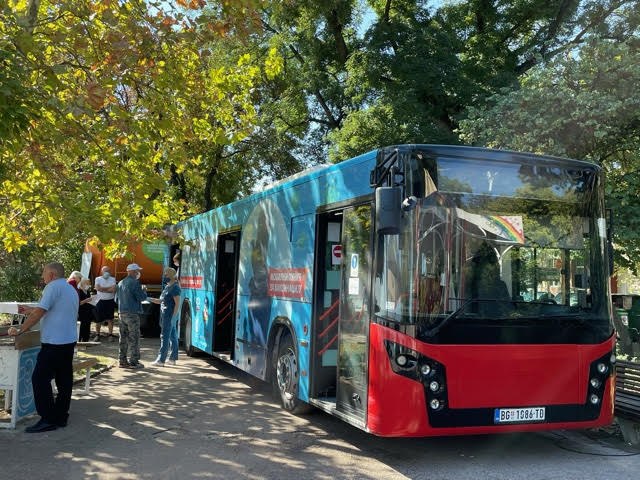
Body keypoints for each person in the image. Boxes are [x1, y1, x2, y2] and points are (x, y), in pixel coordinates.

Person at [7, 262, 79, 433]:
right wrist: (32, 309)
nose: (42, 277)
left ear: (52, 274)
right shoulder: (70, 288)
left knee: (39, 379)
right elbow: (53, 309)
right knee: (64, 380)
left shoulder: (52, 287)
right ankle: (61, 416)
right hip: (67, 341)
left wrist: (20, 330)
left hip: (54, 343)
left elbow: (40, 312)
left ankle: (47, 418)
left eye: (44, 273)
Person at [116, 263, 147, 369]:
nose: (138, 273)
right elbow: (142, 297)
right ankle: (134, 361)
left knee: (123, 337)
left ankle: (122, 360)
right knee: (134, 338)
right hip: (132, 314)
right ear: (133, 272)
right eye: (137, 271)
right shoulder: (134, 283)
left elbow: (116, 299)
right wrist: (144, 290)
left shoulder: (120, 283)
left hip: (121, 313)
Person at [149, 267, 181, 366]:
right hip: (165, 315)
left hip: (169, 316)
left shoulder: (175, 287)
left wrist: (173, 318)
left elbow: (177, 304)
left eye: (166, 275)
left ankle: (161, 360)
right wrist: (148, 298)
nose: (164, 276)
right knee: (172, 337)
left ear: (171, 276)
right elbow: (160, 301)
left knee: (165, 337)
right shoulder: (167, 287)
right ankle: (172, 359)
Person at [93, 265, 117, 342]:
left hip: (110, 301)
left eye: (108, 271)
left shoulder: (113, 279)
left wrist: (102, 289)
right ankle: (97, 335)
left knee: (110, 319)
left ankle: (110, 335)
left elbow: (113, 290)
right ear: (102, 272)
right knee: (98, 319)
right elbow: (97, 288)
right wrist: (108, 289)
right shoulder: (98, 279)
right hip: (100, 301)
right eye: (105, 271)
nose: (106, 272)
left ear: (110, 272)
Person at [77, 278, 97, 342]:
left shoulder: (88, 292)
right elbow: (78, 303)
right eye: (87, 284)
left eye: (89, 284)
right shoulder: (79, 291)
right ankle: (79, 341)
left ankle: (85, 341)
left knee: (87, 327)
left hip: (88, 313)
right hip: (81, 313)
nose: (89, 285)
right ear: (83, 284)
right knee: (81, 328)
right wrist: (86, 300)